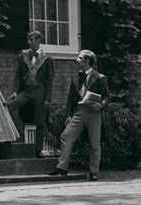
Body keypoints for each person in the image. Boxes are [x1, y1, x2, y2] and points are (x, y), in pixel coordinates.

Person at [50, 50, 110, 181]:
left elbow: (107, 97)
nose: (77, 60)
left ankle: (94, 172)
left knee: (95, 143)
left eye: (80, 58)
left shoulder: (100, 78)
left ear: (87, 61)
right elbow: (71, 99)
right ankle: (62, 168)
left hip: (94, 113)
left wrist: (101, 105)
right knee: (66, 136)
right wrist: (68, 115)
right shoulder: (76, 78)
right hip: (79, 111)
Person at [10, 29, 54, 157]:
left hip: (40, 91)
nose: (29, 42)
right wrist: (14, 91)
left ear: (39, 40)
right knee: (8, 106)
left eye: (32, 39)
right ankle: (13, 140)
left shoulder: (48, 59)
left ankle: (38, 150)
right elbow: (17, 76)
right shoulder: (22, 56)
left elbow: (50, 80)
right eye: (28, 40)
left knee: (40, 121)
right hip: (26, 91)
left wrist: (48, 98)